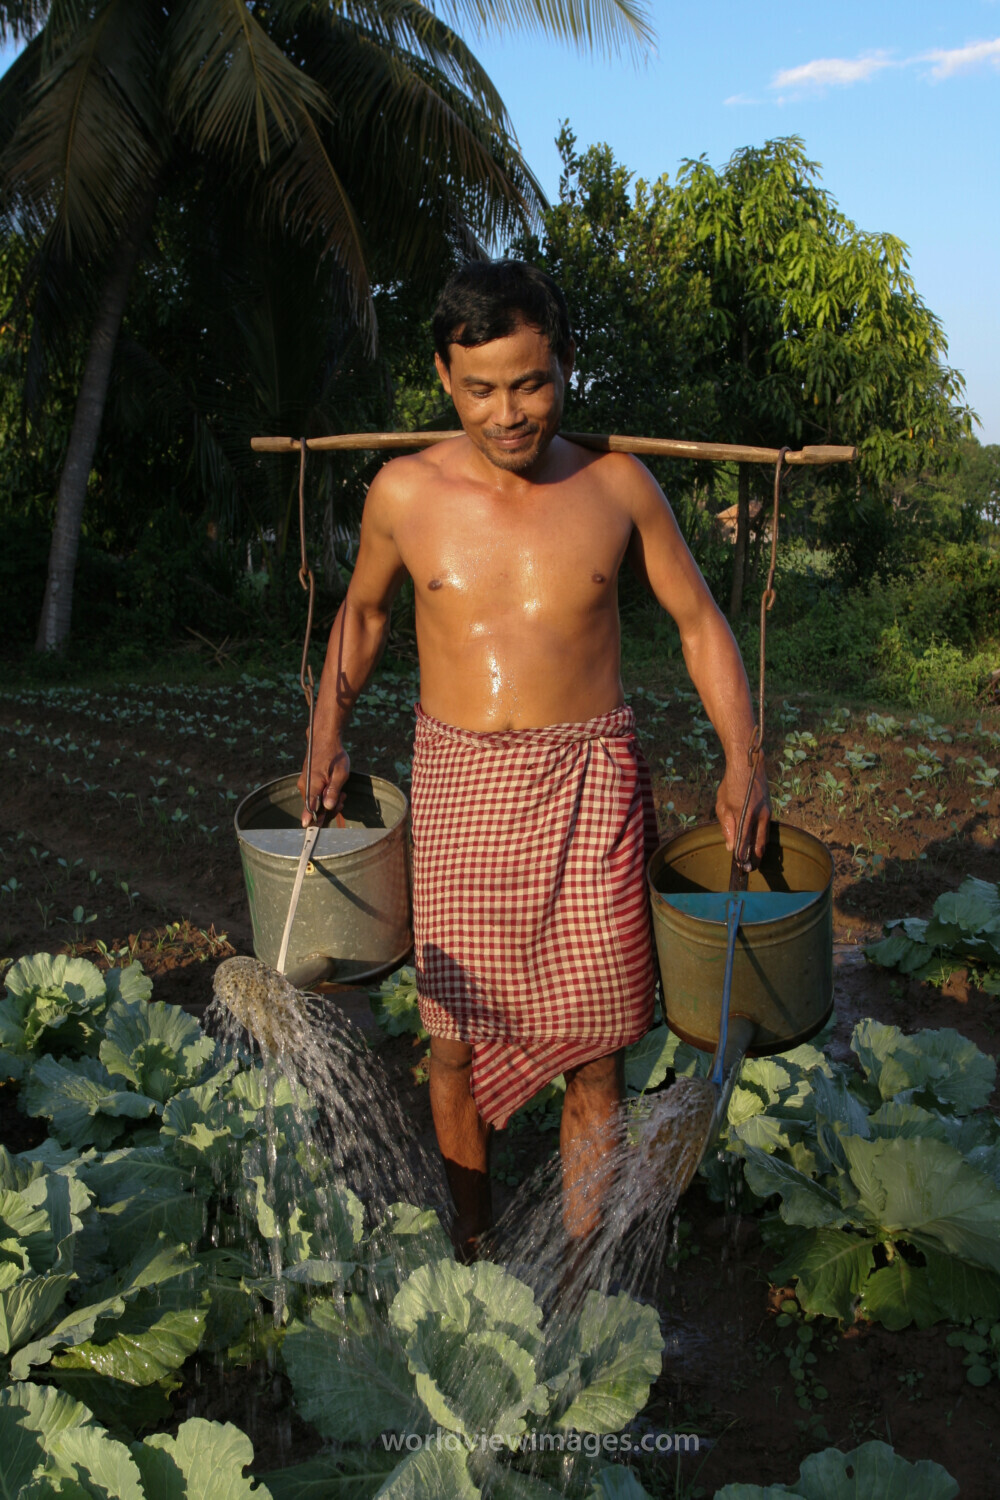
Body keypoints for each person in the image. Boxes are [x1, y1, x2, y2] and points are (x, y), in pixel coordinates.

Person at [298, 260, 769, 1260]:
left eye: (531, 383)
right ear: (444, 376)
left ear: (563, 366)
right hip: (459, 787)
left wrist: (744, 757)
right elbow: (364, 616)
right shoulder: (405, 492)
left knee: (597, 1052)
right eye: (480, 389)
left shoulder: (616, 486)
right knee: (452, 1045)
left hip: (591, 791)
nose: (508, 413)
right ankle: (472, 1243)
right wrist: (324, 732)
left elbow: (698, 623)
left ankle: (583, 1258)